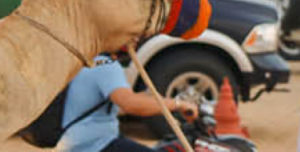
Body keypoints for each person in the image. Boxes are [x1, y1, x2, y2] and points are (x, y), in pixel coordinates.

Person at [59, 54, 199, 152]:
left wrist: (154, 100)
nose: (136, 38)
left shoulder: (87, 60)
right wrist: (179, 104)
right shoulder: (106, 64)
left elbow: (114, 100)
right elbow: (130, 104)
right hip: (95, 145)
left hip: (71, 143)